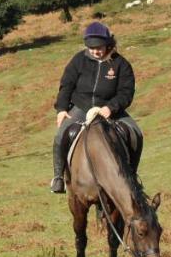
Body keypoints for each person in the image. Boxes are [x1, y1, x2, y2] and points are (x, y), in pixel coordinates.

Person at [49, 21, 136, 193]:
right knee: (60, 136)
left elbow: (126, 92)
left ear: (108, 44)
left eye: (99, 47)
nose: (96, 51)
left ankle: (132, 176)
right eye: (91, 48)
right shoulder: (78, 60)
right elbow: (66, 85)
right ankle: (58, 177)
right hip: (81, 107)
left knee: (135, 133)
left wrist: (110, 108)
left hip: (110, 110)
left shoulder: (121, 64)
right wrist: (62, 110)